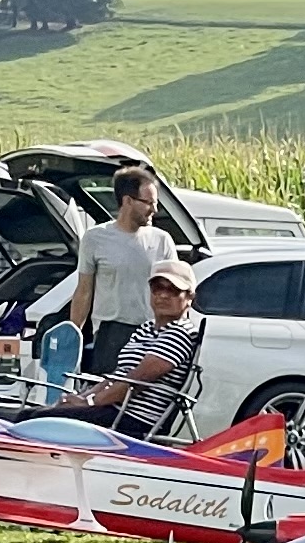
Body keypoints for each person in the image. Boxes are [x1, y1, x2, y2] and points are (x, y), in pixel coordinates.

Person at [34, 264, 206, 438]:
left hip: (134, 417)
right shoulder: (146, 328)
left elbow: (136, 381)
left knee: (36, 419)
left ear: (189, 297)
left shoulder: (180, 333)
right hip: (113, 408)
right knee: (37, 414)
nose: (163, 295)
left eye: (173, 290)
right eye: (157, 288)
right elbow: (119, 375)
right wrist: (82, 397)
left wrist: (89, 402)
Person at [64, 165, 174, 379]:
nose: (154, 209)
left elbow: (176, 290)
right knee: (106, 392)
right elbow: (84, 291)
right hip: (111, 332)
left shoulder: (162, 240)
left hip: (153, 332)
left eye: (155, 203)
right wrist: (73, 336)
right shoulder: (95, 238)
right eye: (149, 203)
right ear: (128, 201)